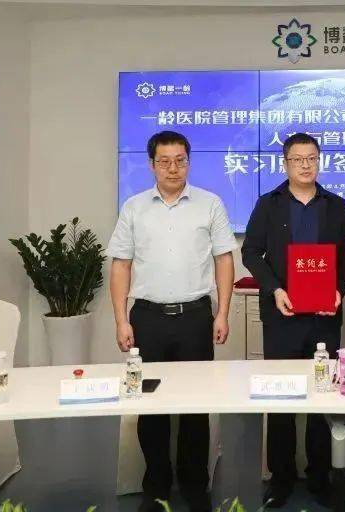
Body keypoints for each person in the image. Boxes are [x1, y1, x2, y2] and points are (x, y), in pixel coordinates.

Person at [108, 130, 236, 512]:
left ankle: (195, 484)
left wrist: (222, 312)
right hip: (147, 318)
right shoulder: (134, 207)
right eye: (164, 161)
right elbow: (120, 265)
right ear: (151, 165)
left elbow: (224, 259)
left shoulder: (210, 204)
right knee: (150, 406)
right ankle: (157, 484)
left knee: (195, 405)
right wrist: (121, 320)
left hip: (195, 317)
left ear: (189, 162)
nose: (173, 168)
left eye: (180, 160)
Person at [241, 132, 345, 508]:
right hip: (282, 316)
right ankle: (282, 478)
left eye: (311, 159)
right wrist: (275, 288)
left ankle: (320, 477)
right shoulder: (268, 204)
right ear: (285, 163)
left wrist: (339, 290)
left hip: (324, 318)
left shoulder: (336, 205)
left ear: (319, 161)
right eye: (297, 159)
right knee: (282, 398)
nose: (305, 165)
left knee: (323, 398)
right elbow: (251, 252)